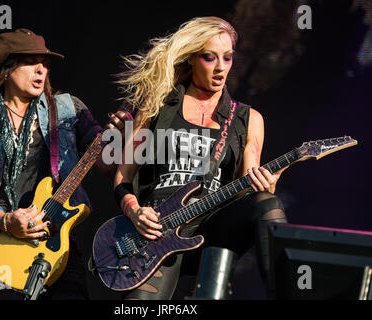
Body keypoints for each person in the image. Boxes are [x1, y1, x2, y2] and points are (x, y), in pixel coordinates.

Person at [111, 16, 288, 299]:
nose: (220, 68)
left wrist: (265, 187)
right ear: (192, 59)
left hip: (213, 228)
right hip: (160, 231)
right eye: (209, 58)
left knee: (268, 204)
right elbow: (124, 175)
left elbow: (247, 184)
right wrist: (135, 212)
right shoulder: (159, 105)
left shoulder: (247, 118)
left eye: (227, 58)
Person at [0, 28, 128, 300]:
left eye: (45, 64)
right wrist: (7, 221)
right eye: (32, 62)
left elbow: (105, 165)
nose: (41, 70)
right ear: (7, 68)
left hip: (55, 246)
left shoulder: (69, 109)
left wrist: (120, 141)